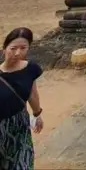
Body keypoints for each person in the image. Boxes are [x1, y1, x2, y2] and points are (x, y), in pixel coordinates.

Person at [0, 27, 44, 170]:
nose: (18, 53)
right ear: (4, 48)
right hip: (0, 128)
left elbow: (32, 94)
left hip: (20, 126)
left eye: (23, 48)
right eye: (13, 48)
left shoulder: (30, 68)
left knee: (22, 164)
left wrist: (37, 114)